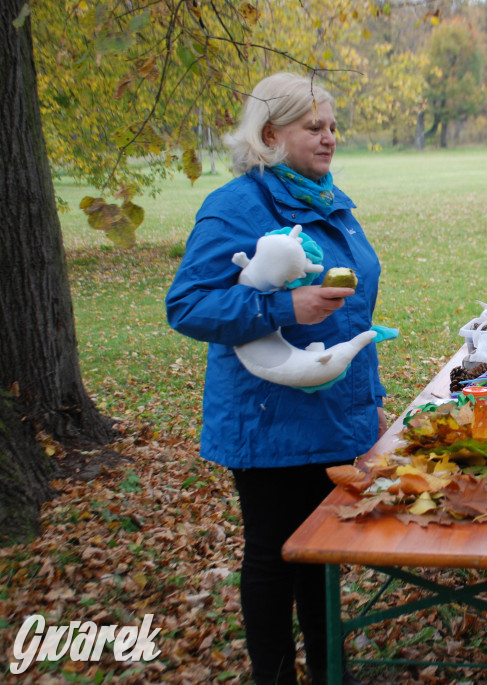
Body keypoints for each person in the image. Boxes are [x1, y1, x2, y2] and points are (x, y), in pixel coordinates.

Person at [166, 72, 383, 685]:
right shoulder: (237, 206)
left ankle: (329, 672)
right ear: (269, 134)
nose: (329, 138)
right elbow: (186, 306)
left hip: (336, 410)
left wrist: (370, 402)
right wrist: (284, 308)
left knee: (320, 559)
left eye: (332, 126)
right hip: (267, 420)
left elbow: (354, 309)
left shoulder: (329, 201)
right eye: (313, 127)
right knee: (273, 556)